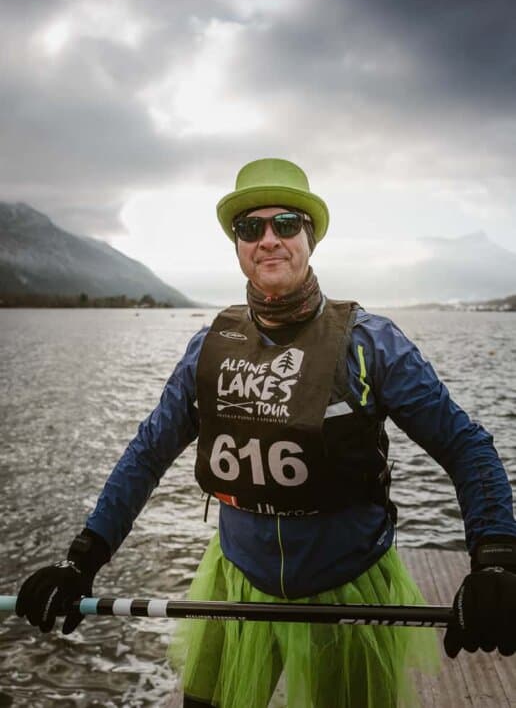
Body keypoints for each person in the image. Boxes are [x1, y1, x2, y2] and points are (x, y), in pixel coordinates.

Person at [16, 158, 516, 707]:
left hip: (346, 590)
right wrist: (82, 558)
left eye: (286, 224)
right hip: (236, 583)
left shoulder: (370, 345)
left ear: (310, 238)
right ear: (237, 246)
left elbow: (466, 445)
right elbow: (147, 453)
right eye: (250, 228)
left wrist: (495, 558)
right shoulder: (208, 347)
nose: (269, 239)